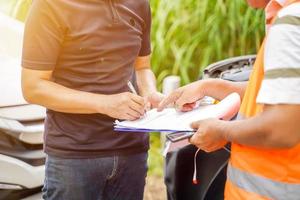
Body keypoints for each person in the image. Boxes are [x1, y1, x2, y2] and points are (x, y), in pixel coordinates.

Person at [21, 0, 163, 199]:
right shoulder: (49, 5)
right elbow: (33, 87)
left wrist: (149, 92)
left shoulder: (139, 3)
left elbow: (142, 67)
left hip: (132, 152)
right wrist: (105, 104)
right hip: (74, 156)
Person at [158, 0, 300, 199]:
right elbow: (279, 94)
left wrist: (221, 131)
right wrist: (208, 87)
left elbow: (282, 129)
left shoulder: (291, 23)